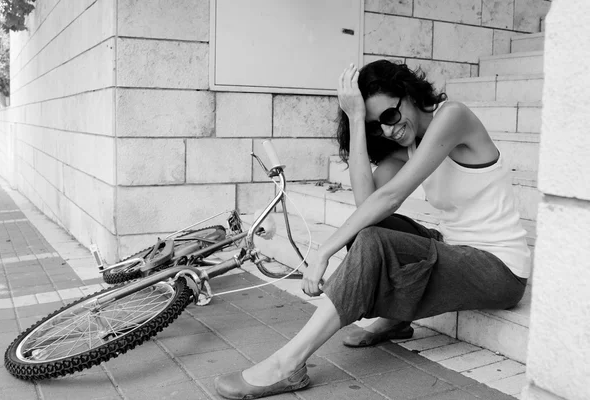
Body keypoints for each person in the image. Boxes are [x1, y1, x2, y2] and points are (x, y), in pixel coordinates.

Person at [215, 59, 531, 399]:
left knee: (375, 240)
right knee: (368, 229)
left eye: (391, 116)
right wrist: (354, 119)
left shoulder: (453, 116)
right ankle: (398, 317)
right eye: (377, 125)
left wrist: (324, 250)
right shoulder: (408, 146)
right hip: (457, 250)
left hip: (498, 270)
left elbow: (392, 196)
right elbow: (368, 204)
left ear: (408, 94)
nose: (389, 129)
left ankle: (287, 364)